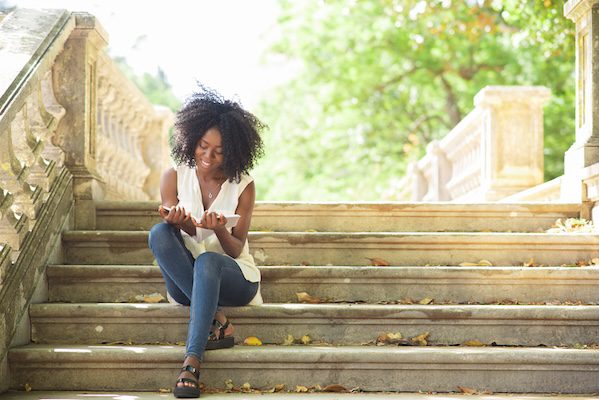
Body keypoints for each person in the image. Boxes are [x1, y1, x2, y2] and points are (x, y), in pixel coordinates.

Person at [148, 86, 265, 398]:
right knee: (159, 233)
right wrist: (179, 221)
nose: (208, 156)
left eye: (219, 151)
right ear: (192, 139)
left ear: (235, 150)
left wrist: (221, 230)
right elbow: (175, 231)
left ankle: (192, 362)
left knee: (209, 260)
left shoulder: (244, 185)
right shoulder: (173, 175)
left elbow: (237, 248)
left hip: (233, 277)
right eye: (203, 146)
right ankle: (218, 320)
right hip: (186, 280)